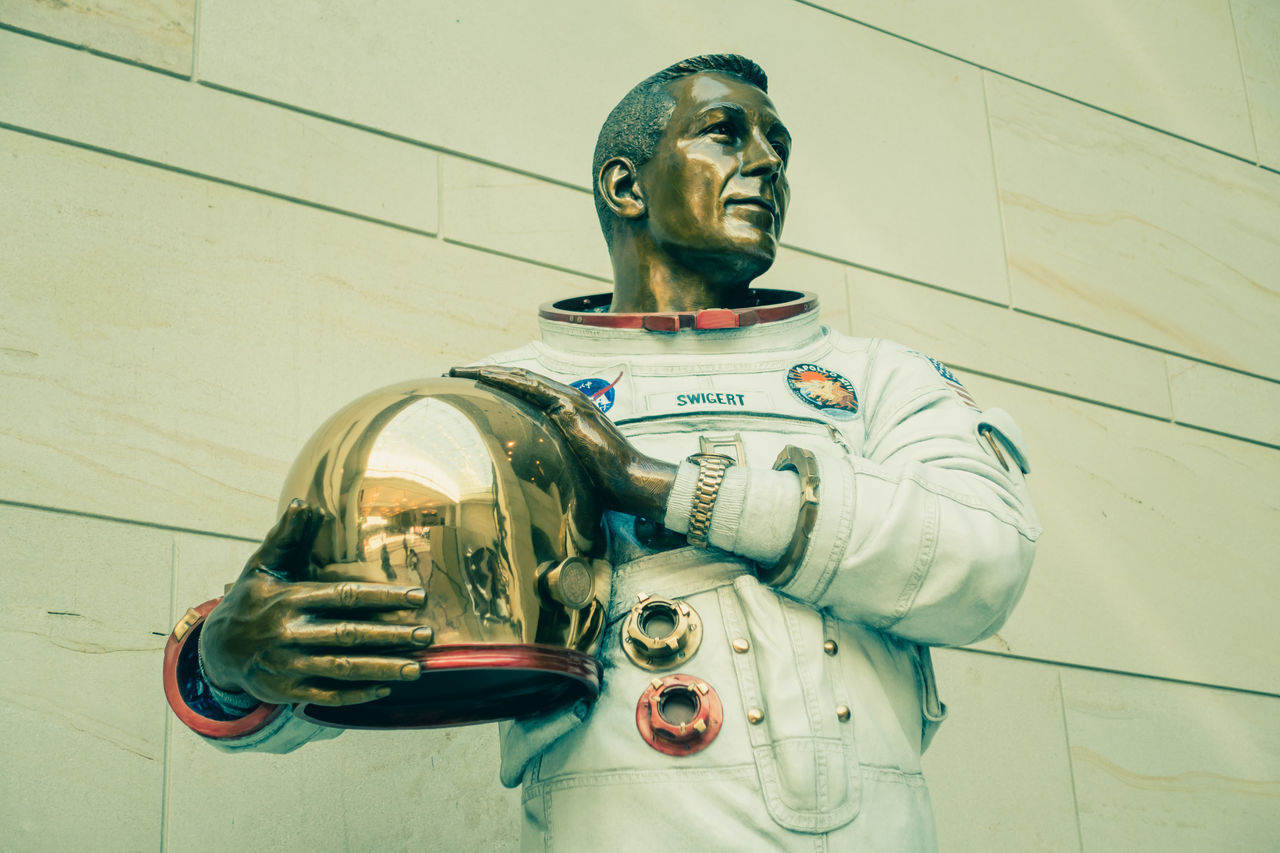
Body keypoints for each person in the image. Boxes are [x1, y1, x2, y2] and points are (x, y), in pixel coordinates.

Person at [163, 54, 1040, 850]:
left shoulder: (883, 378)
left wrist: (659, 487)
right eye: (726, 133)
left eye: (778, 144)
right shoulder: (495, 401)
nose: (769, 164)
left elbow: (984, 561)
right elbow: (376, 633)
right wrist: (227, 665)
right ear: (626, 184)